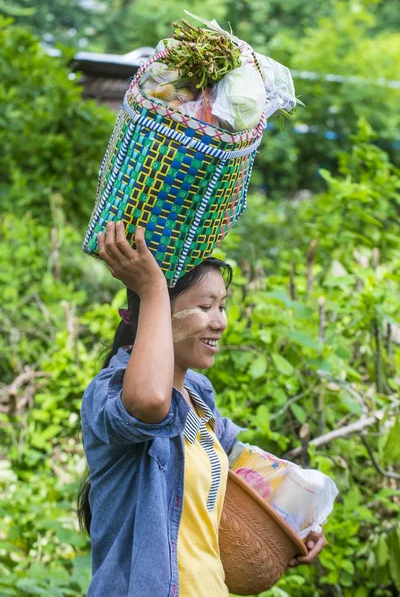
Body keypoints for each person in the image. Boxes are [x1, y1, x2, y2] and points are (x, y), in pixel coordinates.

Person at [78, 221, 327, 597]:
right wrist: (152, 288)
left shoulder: (197, 395)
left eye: (222, 306)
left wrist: (299, 523)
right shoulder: (111, 392)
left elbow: (249, 472)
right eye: (205, 306)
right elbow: (150, 403)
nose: (221, 322)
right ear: (157, 310)